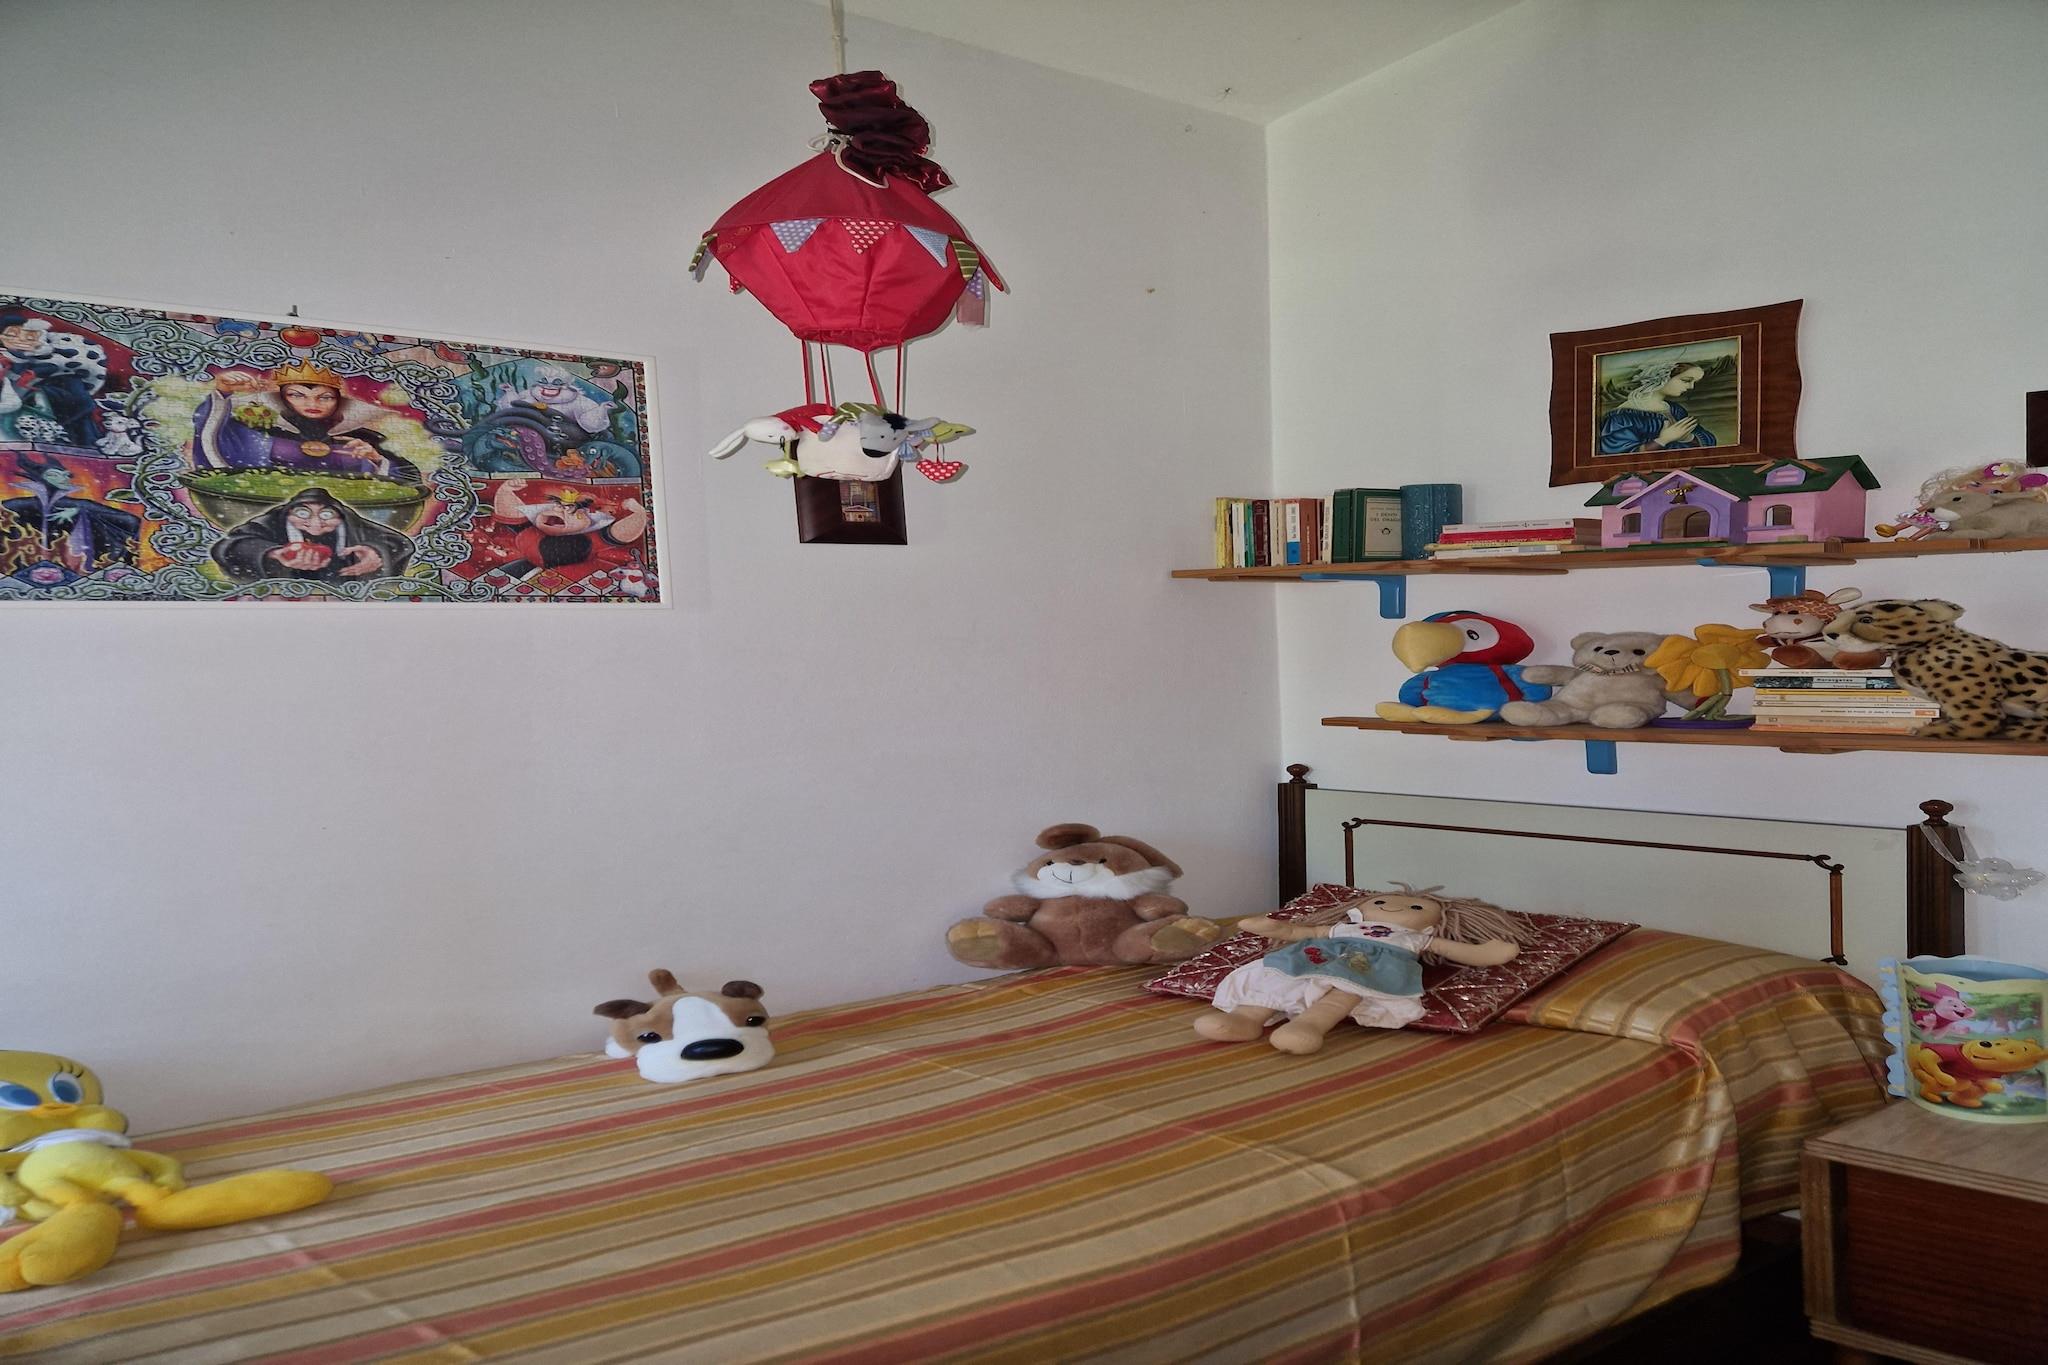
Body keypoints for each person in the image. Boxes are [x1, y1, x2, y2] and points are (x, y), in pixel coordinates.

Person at [190, 361, 418, 480]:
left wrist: (377, 460)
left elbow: (411, 479)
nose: (313, 403)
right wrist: (223, 392)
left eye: (325, 397)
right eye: (297, 395)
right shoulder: (260, 430)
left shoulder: (362, 438)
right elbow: (211, 441)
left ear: (338, 401)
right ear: (283, 398)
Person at [211, 487, 413, 583]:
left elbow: (400, 543)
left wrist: (376, 552)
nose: (315, 523)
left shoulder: (352, 523)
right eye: (303, 514)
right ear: (289, 512)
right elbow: (228, 546)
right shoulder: (273, 520)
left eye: (326, 515)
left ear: (339, 515)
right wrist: (273, 553)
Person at [2, 453, 140, 571]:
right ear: (40, 478)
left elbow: (130, 521)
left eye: (65, 475)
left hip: (75, 566)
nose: (64, 479)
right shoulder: (19, 505)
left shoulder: (81, 505)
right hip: (23, 565)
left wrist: (82, 512)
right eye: (54, 475)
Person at [0, 312, 109, 448]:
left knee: (79, 407)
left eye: (27, 334)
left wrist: (32, 373)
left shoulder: (53, 351)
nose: (20, 339)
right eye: (11, 335)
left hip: (62, 386)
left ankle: (85, 441)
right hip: (32, 400)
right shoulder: (9, 357)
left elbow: (54, 366)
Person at [1597, 360, 1718, 455]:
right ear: (1662, 378)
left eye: (1694, 382)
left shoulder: (1675, 409)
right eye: (1686, 380)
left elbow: (1709, 441)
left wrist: (1687, 437)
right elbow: (1618, 456)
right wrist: (1663, 440)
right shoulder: (1621, 417)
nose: (1691, 387)